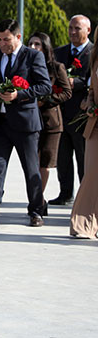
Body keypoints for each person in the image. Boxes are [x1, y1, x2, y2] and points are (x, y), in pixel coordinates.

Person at [0, 19, 51, 228]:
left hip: (25, 124)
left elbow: (45, 86)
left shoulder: (33, 56)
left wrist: (18, 95)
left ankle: (36, 211)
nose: (2, 44)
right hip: (0, 122)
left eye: (7, 40)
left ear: (18, 37)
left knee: (31, 170)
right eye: (0, 40)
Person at [27, 31, 71, 213]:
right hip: (29, 120)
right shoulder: (25, 65)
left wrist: (46, 100)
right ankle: (37, 200)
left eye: (37, 44)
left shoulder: (56, 67)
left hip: (50, 122)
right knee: (31, 163)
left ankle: (38, 200)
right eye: (30, 44)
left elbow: (67, 92)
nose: (33, 47)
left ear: (45, 47)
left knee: (44, 163)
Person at [51, 14, 93, 206]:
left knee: (84, 158)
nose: (73, 32)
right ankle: (65, 193)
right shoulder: (59, 53)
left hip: (83, 115)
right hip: (60, 113)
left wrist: (76, 83)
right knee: (63, 157)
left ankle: (86, 196)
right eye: (70, 28)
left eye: (77, 28)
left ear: (88, 30)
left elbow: (93, 80)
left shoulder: (94, 53)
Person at [69, 42, 98, 238]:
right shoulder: (95, 58)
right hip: (95, 124)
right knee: (91, 175)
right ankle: (82, 225)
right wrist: (90, 103)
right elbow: (92, 89)